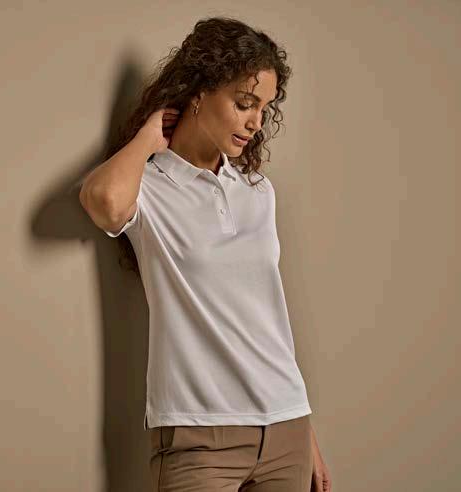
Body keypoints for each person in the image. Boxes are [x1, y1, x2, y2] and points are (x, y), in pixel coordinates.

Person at [79, 15, 332, 492]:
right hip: (199, 436)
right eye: (244, 103)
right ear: (199, 92)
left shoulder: (257, 192)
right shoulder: (150, 186)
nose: (256, 123)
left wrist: (303, 426)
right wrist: (148, 139)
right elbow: (104, 201)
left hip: (286, 431)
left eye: (264, 108)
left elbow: (265, 319)